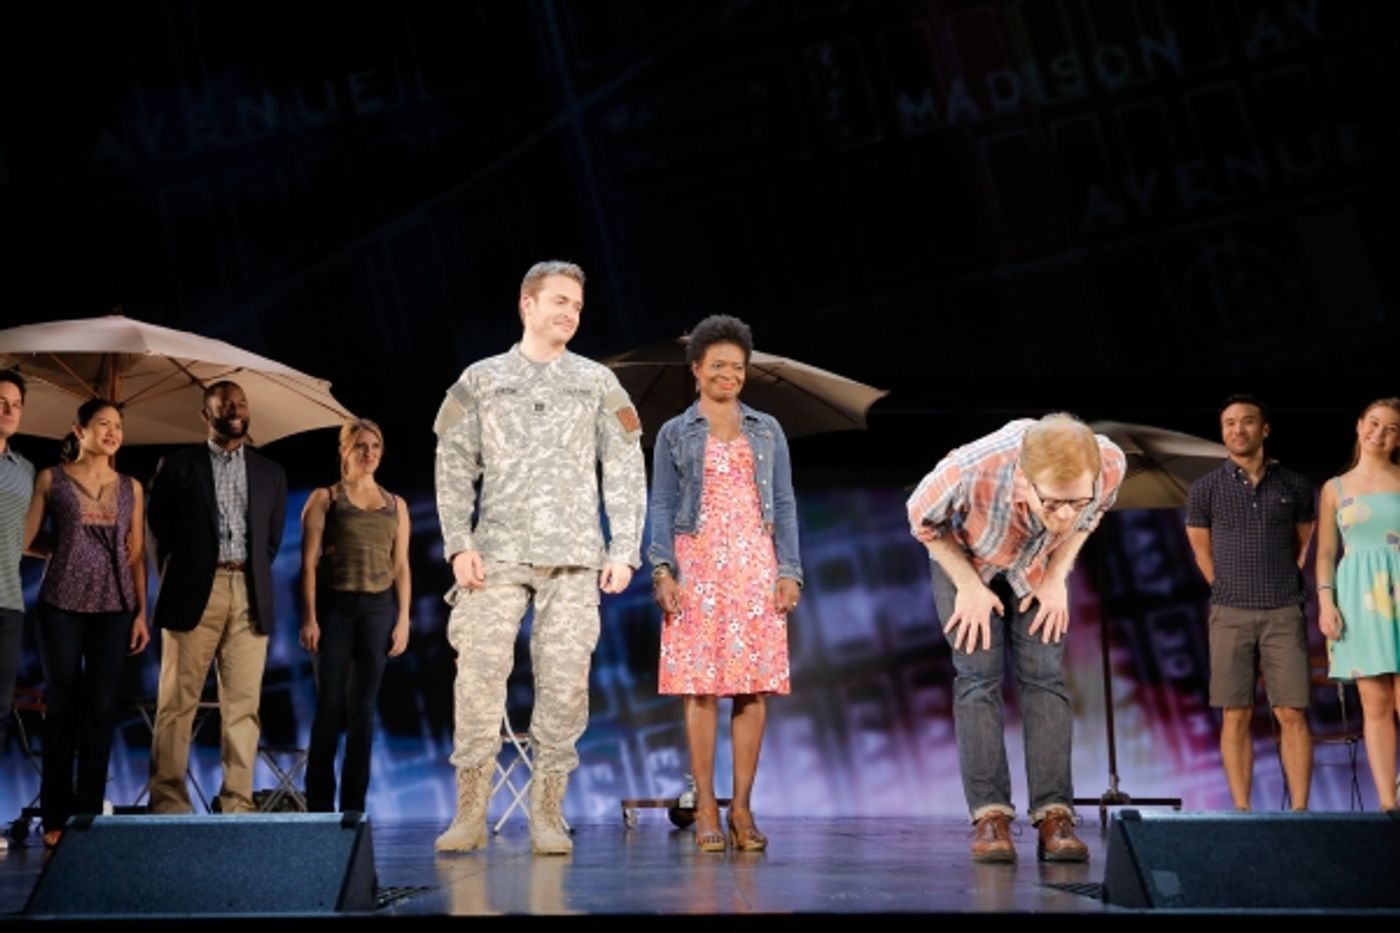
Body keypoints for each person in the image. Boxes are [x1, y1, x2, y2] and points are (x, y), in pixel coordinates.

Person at [433, 260, 646, 856]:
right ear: (526, 304)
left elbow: (626, 468)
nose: (569, 314)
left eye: (576, 306)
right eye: (558, 301)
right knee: (476, 678)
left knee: (565, 685)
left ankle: (547, 813)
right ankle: (469, 812)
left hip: (575, 555)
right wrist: (458, 543)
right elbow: (452, 466)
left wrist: (623, 549)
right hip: (496, 552)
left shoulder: (596, 382)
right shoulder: (481, 379)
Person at [906, 414, 1124, 863]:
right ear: (1026, 481)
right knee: (978, 676)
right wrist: (968, 585)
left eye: (1075, 502)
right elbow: (920, 519)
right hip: (969, 555)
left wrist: (1058, 577)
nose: (1065, 515)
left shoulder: (1108, 465)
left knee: (1045, 676)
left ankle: (1054, 814)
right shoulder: (972, 468)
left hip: (1035, 563)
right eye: (1054, 504)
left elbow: (1090, 517)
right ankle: (991, 817)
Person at [647, 314, 801, 853]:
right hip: (698, 566)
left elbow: (782, 502)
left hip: (755, 566)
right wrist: (662, 569)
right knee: (700, 686)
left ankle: (742, 807)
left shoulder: (767, 429)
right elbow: (662, 504)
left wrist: (789, 570)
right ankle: (706, 806)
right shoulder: (674, 431)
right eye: (718, 366)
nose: (729, 375)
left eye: (737, 367)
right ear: (696, 369)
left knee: (753, 686)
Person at [146, 380, 288, 815]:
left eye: (242, 403)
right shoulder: (177, 466)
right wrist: (182, 576)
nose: (236, 409)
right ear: (205, 414)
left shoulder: (270, 473)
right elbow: (158, 534)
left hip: (248, 594)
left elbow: (270, 541)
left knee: (244, 707)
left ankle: (237, 803)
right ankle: (169, 802)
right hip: (194, 594)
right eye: (226, 404)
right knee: (176, 703)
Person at [22, 399, 150, 846]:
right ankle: (55, 815)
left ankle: (88, 816)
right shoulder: (51, 479)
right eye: (103, 424)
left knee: (99, 711)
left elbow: (136, 554)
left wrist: (141, 612)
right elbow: (26, 539)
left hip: (114, 606)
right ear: (79, 429)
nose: (113, 432)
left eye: (118, 425)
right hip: (60, 603)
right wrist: (59, 550)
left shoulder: (131, 487)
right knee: (63, 706)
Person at [1185, 394, 1315, 811]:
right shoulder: (1206, 489)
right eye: (1228, 424)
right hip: (1230, 613)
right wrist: (1228, 589)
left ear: (1264, 429)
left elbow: (1302, 545)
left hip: (1283, 611)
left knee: (1292, 712)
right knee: (1235, 713)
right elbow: (1202, 553)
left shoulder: (1293, 485)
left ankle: (1300, 811)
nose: (1236, 430)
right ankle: (1241, 811)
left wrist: (1280, 585)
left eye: (1246, 422)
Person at [298, 419, 411, 813]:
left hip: (377, 611)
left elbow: (401, 566)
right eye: (361, 446)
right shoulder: (325, 498)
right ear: (345, 450)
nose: (370, 453)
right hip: (335, 610)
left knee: (363, 713)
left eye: (376, 446)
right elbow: (309, 564)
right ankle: (317, 808)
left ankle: (352, 809)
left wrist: (403, 619)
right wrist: (310, 618)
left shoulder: (395, 504)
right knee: (330, 708)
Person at [1316, 397, 1400, 812]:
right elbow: (1325, 554)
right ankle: (1388, 803)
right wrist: (1326, 602)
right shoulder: (1334, 488)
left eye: (1390, 428)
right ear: (1359, 425)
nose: (1379, 433)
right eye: (1374, 423)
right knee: (1376, 702)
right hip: (1358, 599)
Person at [0, 369, 35, 852]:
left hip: (8, 604)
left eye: (14, 403)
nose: (8, 408)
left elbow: (26, 540)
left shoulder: (25, 469)